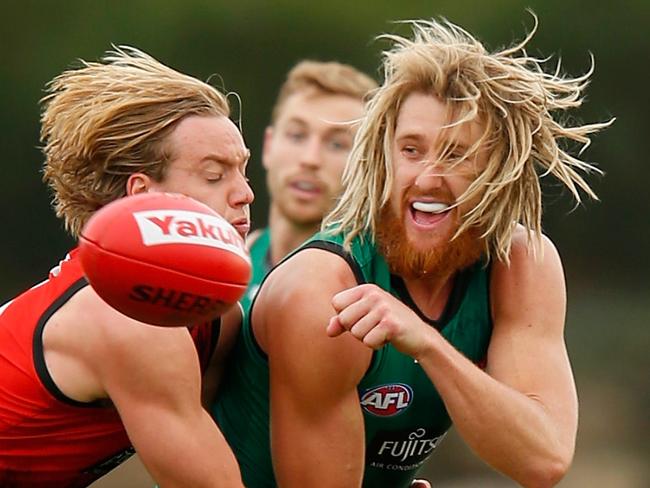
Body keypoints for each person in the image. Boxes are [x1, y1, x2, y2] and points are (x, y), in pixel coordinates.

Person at [212, 16, 612, 488]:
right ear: (384, 154)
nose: (427, 179)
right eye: (412, 150)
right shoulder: (324, 292)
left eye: (458, 155)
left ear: (501, 169)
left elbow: (542, 459)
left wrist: (426, 343)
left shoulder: (523, 265)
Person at [0, 46, 253, 487]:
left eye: (242, 170)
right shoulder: (129, 318)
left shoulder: (218, 315)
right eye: (215, 175)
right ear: (143, 196)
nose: (245, 194)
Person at [240, 60, 377, 310]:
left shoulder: (370, 290)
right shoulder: (230, 263)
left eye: (337, 144)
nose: (310, 159)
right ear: (269, 145)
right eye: (297, 135)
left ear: (368, 165)